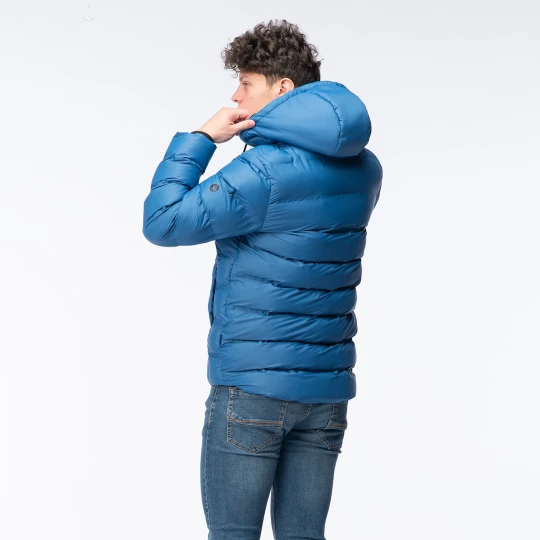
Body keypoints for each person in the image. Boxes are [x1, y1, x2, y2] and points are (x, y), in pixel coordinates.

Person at [142, 18, 383, 540]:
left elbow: (163, 222)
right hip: (326, 394)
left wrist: (202, 139)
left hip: (252, 389)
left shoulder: (262, 171)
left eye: (246, 83)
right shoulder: (366, 168)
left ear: (283, 88)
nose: (235, 96)